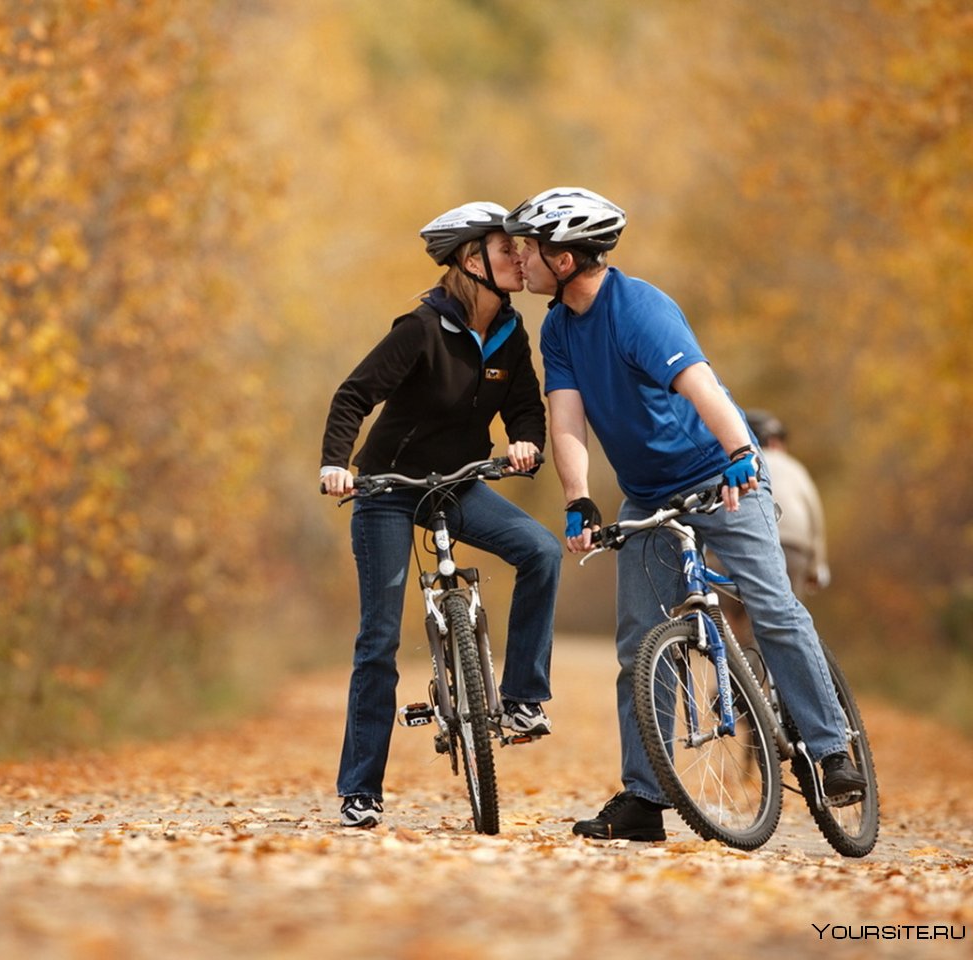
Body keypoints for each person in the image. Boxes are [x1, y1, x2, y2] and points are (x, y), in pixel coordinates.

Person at [503, 186, 866, 842]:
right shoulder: (556, 326)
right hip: (649, 496)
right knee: (641, 643)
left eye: (532, 248)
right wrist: (579, 498)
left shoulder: (639, 308)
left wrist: (738, 454)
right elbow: (566, 423)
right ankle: (645, 799)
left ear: (566, 258)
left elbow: (701, 386)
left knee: (774, 606)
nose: (520, 259)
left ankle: (829, 748)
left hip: (722, 477)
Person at [319, 202, 563, 829]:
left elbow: (526, 410)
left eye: (518, 250)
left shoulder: (511, 333)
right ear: (469, 259)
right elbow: (354, 395)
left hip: (457, 485)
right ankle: (361, 790)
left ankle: (522, 700)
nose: (518, 258)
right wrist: (336, 464)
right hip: (387, 490)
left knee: (540, 550)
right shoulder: (421, 328)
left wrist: (524, 443)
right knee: (379, 640)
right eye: (504, 249)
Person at [745, 409, 830, 597]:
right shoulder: (795, 468)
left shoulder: (737, 464)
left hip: (745, 541)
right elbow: (814, 517)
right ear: (774, 442)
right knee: (789, 610)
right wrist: (817, 566)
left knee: (730, 611)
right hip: (794, 545)